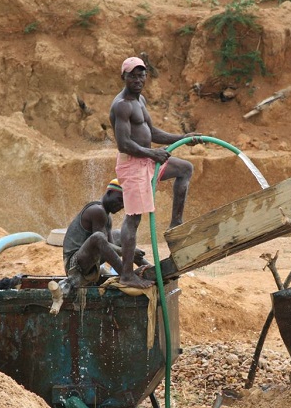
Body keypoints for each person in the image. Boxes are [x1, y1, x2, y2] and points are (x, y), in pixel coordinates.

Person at [109, 56, 200, 289]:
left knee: (184, 169)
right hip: (133, 164)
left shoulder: (141, 101)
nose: (138, 79)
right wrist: (153, 154)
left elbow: (151, 134)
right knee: (134, 217)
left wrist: (182, 138)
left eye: (142, 75)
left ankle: (175, 224)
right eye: (133, 75)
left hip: (148, 160)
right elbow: (123, 144)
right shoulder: (122, 105)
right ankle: (127, 274)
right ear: (124, 77)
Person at [50, 179, 150, 312]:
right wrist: (125, 251)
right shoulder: (97, 211)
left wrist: (129, 251)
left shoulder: (107, 216)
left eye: (124, 203)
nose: (121, 206)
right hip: (75, 264)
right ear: (109, 192)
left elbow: (109, 247)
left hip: (90, 260)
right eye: (120, 200)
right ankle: (128, 276)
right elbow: (100, 244)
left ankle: (151, 269)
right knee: (98, 237)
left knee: (120, 235)